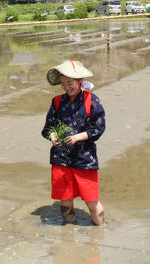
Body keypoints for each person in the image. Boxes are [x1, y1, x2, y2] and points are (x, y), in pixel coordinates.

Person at [42, 60, 105, 225]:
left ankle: (100, 234)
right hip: (61, 159)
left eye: (69, 83)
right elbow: (48, 127)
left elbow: (98, 127)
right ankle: (68, 234)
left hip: (84, 158)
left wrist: (78, 137)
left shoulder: (92, 100)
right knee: (65, 201)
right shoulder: (57, 102)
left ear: (79, 81)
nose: (66, 87)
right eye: (62, 83)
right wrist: (53, 136)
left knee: (92, 202)